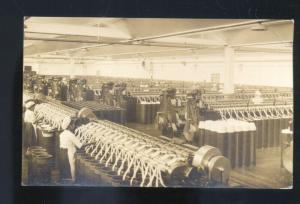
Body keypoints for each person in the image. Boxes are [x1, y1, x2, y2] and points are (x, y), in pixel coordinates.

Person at [59, 117, 93, 182]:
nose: (74, 126)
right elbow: (80, 146)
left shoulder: (62, 134)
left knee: (65, 166)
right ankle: (73, 180)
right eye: (73, 124)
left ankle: (65, 179)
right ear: (69, 126)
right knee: (72, 166)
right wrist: (92, 143)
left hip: (62, 152)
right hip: (69, 152)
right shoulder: (71, 135)